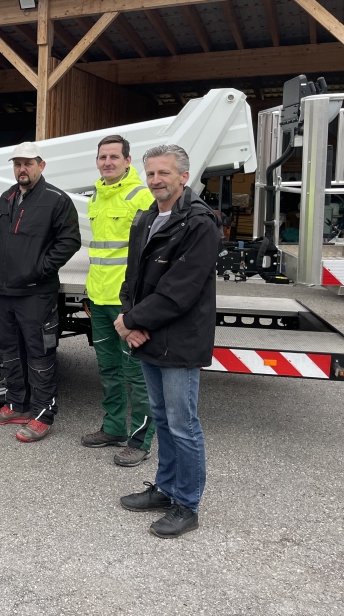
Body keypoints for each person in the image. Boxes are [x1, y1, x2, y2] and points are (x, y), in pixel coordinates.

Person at [116, 144, 222, 539]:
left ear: (184, 176)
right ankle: (165, 488)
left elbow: (180, 290)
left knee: (182, 424)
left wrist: (129, 321)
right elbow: (132, 278)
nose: (156, 180)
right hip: (148, 336)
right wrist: (129, 320)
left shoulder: (200, 223)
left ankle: (187, 505)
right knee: (162, 419)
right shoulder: (146, 218)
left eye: (164, 173)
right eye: (151, 173)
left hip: (179, 340)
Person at [0, 142, 81, 442]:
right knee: (9, 352)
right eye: (17, 164)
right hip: (4, 292)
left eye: (28, 163)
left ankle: (42, 415)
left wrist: (40, 268)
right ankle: (17, 404)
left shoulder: (56, 199)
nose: (22, 169)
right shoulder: (7, 198)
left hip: (36, 294)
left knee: (40, 355)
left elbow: (70, 241)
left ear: (41, 165)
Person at [80, 135, 157, 466]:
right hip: (99, 298)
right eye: (103, 157)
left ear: (128, 161)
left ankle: (140, 440)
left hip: (128, 302)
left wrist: (140, 303)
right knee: (108, 368)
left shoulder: (141, 195)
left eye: (114, 157)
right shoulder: (96, 195)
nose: (107, 162)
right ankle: (113, 428)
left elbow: (152, 252)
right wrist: (90, 293)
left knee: (136, 374)